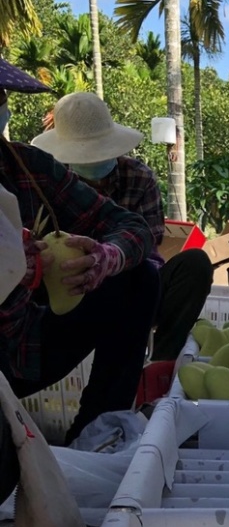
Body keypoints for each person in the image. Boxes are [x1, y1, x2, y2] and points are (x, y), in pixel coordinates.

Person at [0, 59, 159, 445]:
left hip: (26, 344)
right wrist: (11, 267)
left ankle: (96, 433)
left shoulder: (26, 168)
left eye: (1, 97)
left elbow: (136, 229)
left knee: (140, 279)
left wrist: (107, 258)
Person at [32, 91, 213, 362]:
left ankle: (162, 363)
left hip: (135, 292)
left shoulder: (139, 178)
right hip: (69, 297)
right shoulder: (47, 184)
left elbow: (148, 242)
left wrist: (110, 257)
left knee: (193, 264)